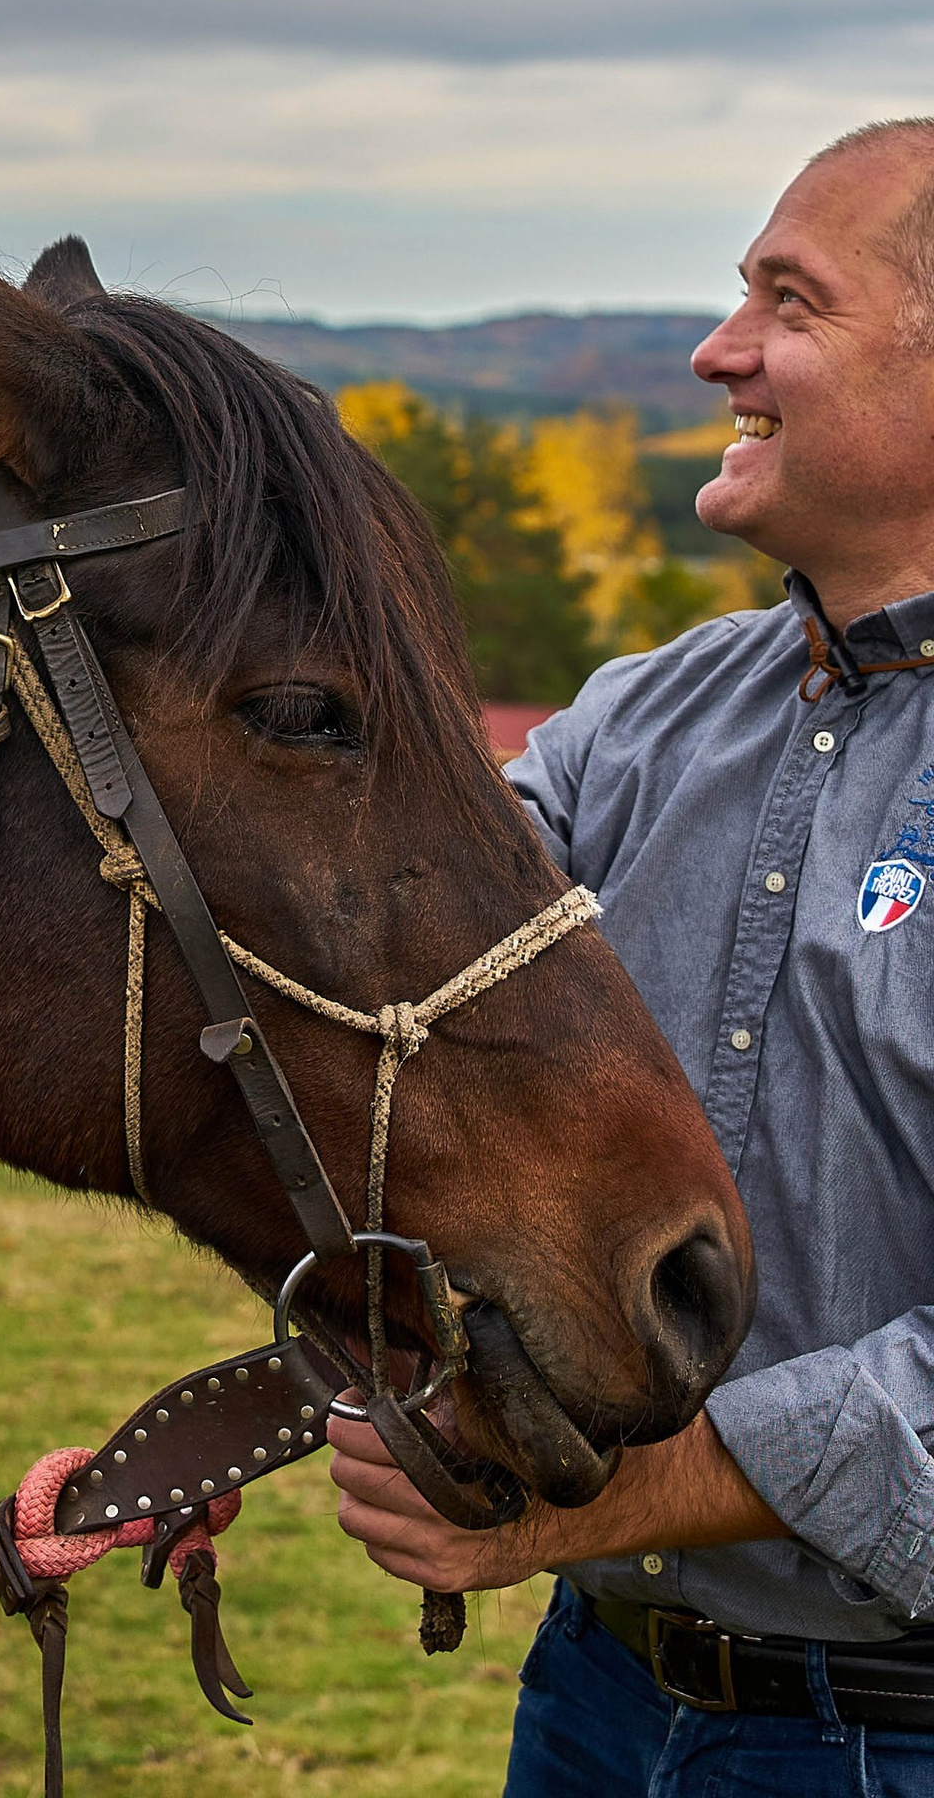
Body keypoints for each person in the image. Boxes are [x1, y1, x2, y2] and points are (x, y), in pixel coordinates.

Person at [332, 119, 934, 1791]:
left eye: (788, 302)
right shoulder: (638, 723)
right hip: (599, 1703)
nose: (715, 350)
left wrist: (597, 1493)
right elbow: (368, 968)